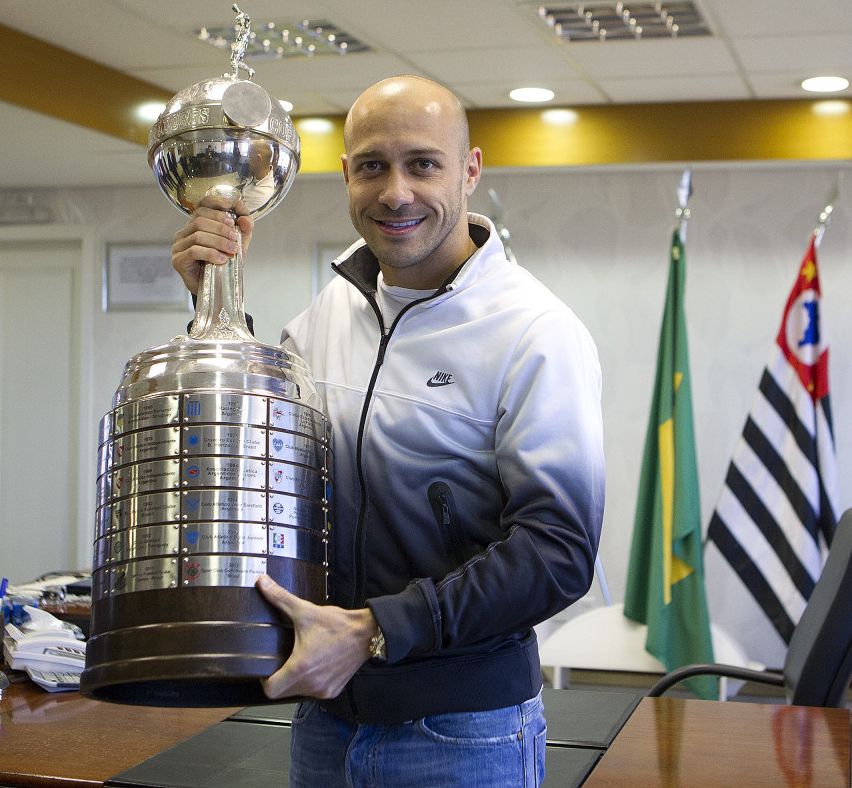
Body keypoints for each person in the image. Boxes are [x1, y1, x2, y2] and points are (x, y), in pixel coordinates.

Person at [172, 75, 605, 788]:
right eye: (373, 165)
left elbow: (558, 552)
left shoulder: (536, 333)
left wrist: (377, 629)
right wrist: (213, 303)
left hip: (462, 733)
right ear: (346, 175)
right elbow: (267, 479)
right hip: (326, 719)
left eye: (423, 164)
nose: (396, 191)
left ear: (470, 171)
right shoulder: (322, 320)